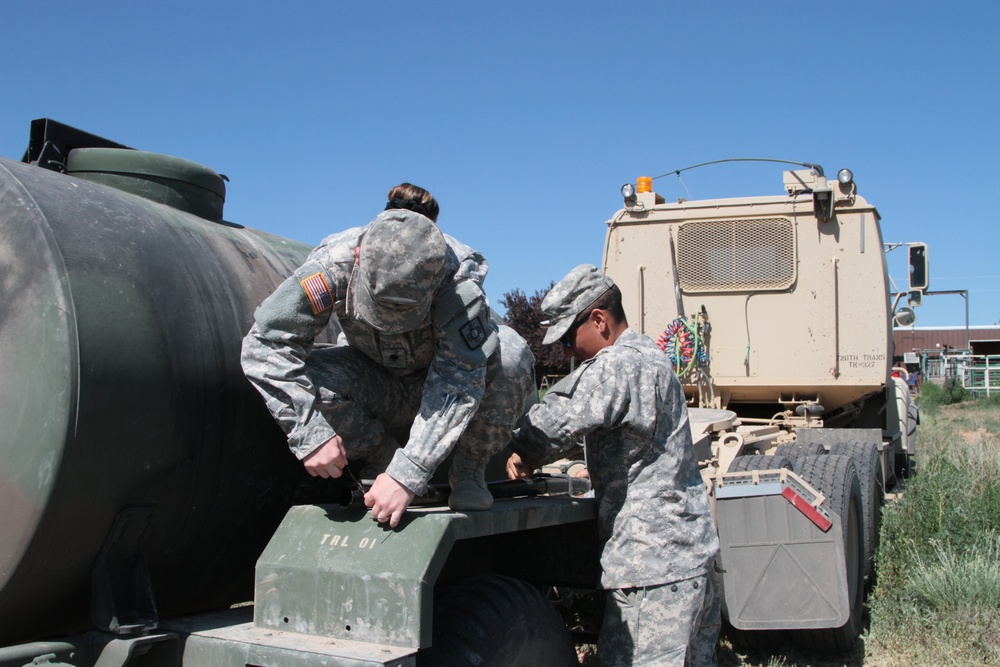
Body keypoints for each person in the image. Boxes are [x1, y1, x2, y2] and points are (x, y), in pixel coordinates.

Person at [242, 183, 535, 528]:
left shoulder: (457, 281)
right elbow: (267, 344)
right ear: (358, 257)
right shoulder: (331, 265)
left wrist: (409, 474)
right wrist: (308, 433)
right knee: (312, 376)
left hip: (436, 382)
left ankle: (469, 467)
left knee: (512, 353)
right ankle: (381, 458)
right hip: (379, 382)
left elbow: (459, 379)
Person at [506, 264, 721, 667]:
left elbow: (557, 420)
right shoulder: (650, 357)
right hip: (689, 559)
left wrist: (519, 450)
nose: (566, 352)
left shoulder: (616, 364)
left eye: (568, 339)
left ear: (599, 320)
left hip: (653, 570)